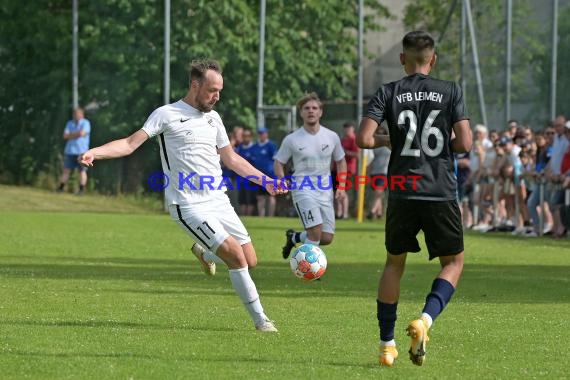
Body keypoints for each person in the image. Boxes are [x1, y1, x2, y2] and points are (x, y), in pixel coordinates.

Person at [78, 59, 286, 332]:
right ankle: (262, 321)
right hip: (187, 204)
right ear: (195, 84)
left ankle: (205, 251)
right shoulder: (166, 114)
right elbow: (130, 144)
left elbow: (232, 159)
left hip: (218, 200)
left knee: (251, 259)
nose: (217, 96)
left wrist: (266, 181)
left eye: (220, 90)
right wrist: (96, 152)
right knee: (236, 257)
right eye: (212, 90)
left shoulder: (214, 118)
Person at [356, 31, 472, 367]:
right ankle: (425, 319)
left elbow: (364, 138)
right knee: (453, 263)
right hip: (439, 190)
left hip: (403, 189)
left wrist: (387, 141)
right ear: (433, 59)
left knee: (394, 263)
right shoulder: (451, 91)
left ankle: (386, 346)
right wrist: (437, 149)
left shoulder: (388, 91)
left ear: (402, 59)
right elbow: (464, 143)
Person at [274, 92, 347, 259]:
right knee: (315, 231)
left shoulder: (331, 136)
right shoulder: (292, 139)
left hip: (324, 191)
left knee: (326, 237)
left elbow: (341, 162)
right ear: (301, 113)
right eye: (306, 108)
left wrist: (341, 186)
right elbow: (279, 162)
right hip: (302, 189)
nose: (311, 111)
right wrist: (281, 180)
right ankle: (308, 266)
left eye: (315, 108)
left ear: (321, 112)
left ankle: (294, 237)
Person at [57, 107, 91, 195]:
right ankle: (60, 188)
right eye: (74, 114)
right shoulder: (69, 123)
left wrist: (71, 134)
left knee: (82, 171)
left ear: (81, 115)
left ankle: (81, 190)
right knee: (66, 170)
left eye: (77, 114)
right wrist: (77, 134)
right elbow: (65, 136)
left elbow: (82, 133)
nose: (75, 116)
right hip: (70, 151)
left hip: (82, 151)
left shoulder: (86, 123)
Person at [252, 127, 278, 217]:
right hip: (258, 175)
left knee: (271, 196)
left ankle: (270, 216)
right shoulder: (255, 146)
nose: (261, 135)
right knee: (260, 197)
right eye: (260, 133)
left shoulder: (271, 145)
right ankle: (261, 217)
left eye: (263, 133)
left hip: (270, 175)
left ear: (266, 134)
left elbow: (276, 160)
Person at [366, 127, 391, 220]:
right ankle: (379, 213)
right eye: (378, 133)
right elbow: (371, 159)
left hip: (384, 172)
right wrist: (368, 172)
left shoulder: (390, 143)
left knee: (378, 193)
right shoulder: (374, 145)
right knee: (377, 194)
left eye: (382, 133)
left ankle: (372, 211)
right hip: (374, 172)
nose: (381, 135)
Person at [336, 122, 360, 219]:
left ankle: (344, 213)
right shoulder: (342, 140)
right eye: (345, 129)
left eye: (348, 128)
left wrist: (345, 152)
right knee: (337, 190)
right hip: (338, 169)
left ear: (352, 129)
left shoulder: (354, 139)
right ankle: (339, 212)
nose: (346, 131)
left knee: (343, 190)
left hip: (348, 169)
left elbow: (357, 154)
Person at [236, 128, 257, 216]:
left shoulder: (255, 148)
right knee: (242, 199)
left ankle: (249, 216)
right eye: (244, 136)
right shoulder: (240, 147)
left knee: (250, 200)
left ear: (251, 137)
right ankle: (244, 217)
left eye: (248, 136)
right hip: (240, 178)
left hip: (252, 178)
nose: (246, 138)